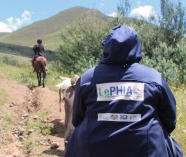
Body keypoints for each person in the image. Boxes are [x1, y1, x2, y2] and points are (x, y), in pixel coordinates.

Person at [64, 25, 183, 157]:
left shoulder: (87, 78)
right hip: (146, 150)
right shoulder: (154, 78)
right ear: (136, 46)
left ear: (107, 47)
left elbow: (76, 118)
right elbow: (169, 120)